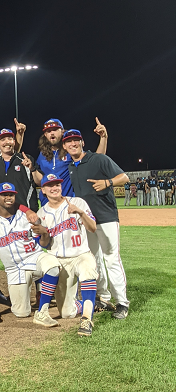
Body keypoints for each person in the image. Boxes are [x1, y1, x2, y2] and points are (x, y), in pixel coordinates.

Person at [63, 128, 130, 319]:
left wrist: (107, 182)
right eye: (68, 141)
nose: (72, 144)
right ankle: (104, 297)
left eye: (76, 140)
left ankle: (122, 303)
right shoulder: (71, 166)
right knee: (94, 259)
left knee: (111, 258)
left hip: (106, 217)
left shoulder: (99, 159)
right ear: (64, 146)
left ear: (82, 142)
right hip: (88, 220)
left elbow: (124, 177)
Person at [0, 183, 61, 327]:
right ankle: (33, 294)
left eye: (11, 195)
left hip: (34, 258)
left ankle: (42, 312)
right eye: (4, 195)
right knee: (21, 313)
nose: (8, 197)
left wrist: (44, 232)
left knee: (52, 266)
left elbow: (44, 243)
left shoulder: (28, 218)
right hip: (14, 269)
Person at [37, 173, 98, 337]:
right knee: (67, 313)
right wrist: (44, 234)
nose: (54, 188)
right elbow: (43, 244)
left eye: (57, 184)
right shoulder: (41, 213)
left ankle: (87, 318)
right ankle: (85, 303)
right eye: (50, 185)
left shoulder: (78, 202)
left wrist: (80, 213)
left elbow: (93, 228)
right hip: (59, 260)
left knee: (87, 269)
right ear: (43, 190)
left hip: (80, 254)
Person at [34, 117, 107, 205]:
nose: (52, 133)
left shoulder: (71, 151)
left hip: (69, 203)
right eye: (48, 131)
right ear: (45, 135)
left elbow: (96, 160)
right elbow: (40, 181)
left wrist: (103, 138)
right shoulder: (42, 155)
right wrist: (32, 168)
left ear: (62, 132)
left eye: (55, 130)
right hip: (47, 204)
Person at [0, 127, 40, 210]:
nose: (7, 142)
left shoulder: (25, 159)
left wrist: (32, 168)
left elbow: (40, 182)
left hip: (27, 213)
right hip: (4, 214)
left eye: (10, 139)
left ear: (14, 142)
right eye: (3, 139)